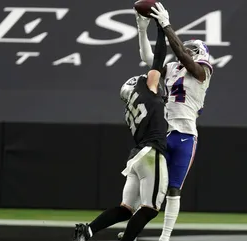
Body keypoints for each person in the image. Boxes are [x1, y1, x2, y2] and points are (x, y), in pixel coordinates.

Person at [72, 20, 168, 241]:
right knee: (150, 208)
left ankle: (88, 230)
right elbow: (159, 58)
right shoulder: (148, 92)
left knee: (126, 208)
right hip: (151, 154)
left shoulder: (130, 108)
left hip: (135, 158)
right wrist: (162, 29)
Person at [134, 3, 214, 241]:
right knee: (146, 184)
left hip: (186, 135)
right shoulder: (171, 68)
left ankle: (165, 237)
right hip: (163, 132)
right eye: (186, 49)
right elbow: (149, 58)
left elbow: (182, 55)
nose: (186, 51)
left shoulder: (203, 71)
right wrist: (142, 28)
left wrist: (166, 25)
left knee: (173, 189)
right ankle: (133, 231)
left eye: (191, 50)